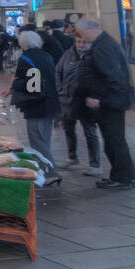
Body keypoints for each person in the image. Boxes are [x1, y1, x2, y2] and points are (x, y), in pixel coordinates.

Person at [74, 18, 135, 189]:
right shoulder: (105, 43)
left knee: (114, 140)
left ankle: (123, 179)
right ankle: (121, 176)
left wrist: (101, 100)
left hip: (110, 104)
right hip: (111, 102)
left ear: (88, 30)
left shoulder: (102, 47)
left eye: (80, 32)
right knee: (113, 141)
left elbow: (114, 78)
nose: (79, 36)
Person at [5, 29, 61, 181]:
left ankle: (51, 174)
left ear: (23, 43)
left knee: (38, 141)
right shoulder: (46, 56)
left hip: (37, 106)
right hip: (50, 103)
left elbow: (33, 86)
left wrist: (15, 83)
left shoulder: (26, 58)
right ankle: (44, 169)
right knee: (44, 139)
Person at [55, 34, 102, 176]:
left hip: (85, 101)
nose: (81, 44)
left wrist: (95, 96)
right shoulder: (68, 54)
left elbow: (101, 77)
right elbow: (58, 71)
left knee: (90, 132)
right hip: (68, 99)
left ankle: (95, 164)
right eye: (78, 41)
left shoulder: (95, 56)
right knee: (68, 129)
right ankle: (72, 157)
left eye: (84, 42)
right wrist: (60, 90)